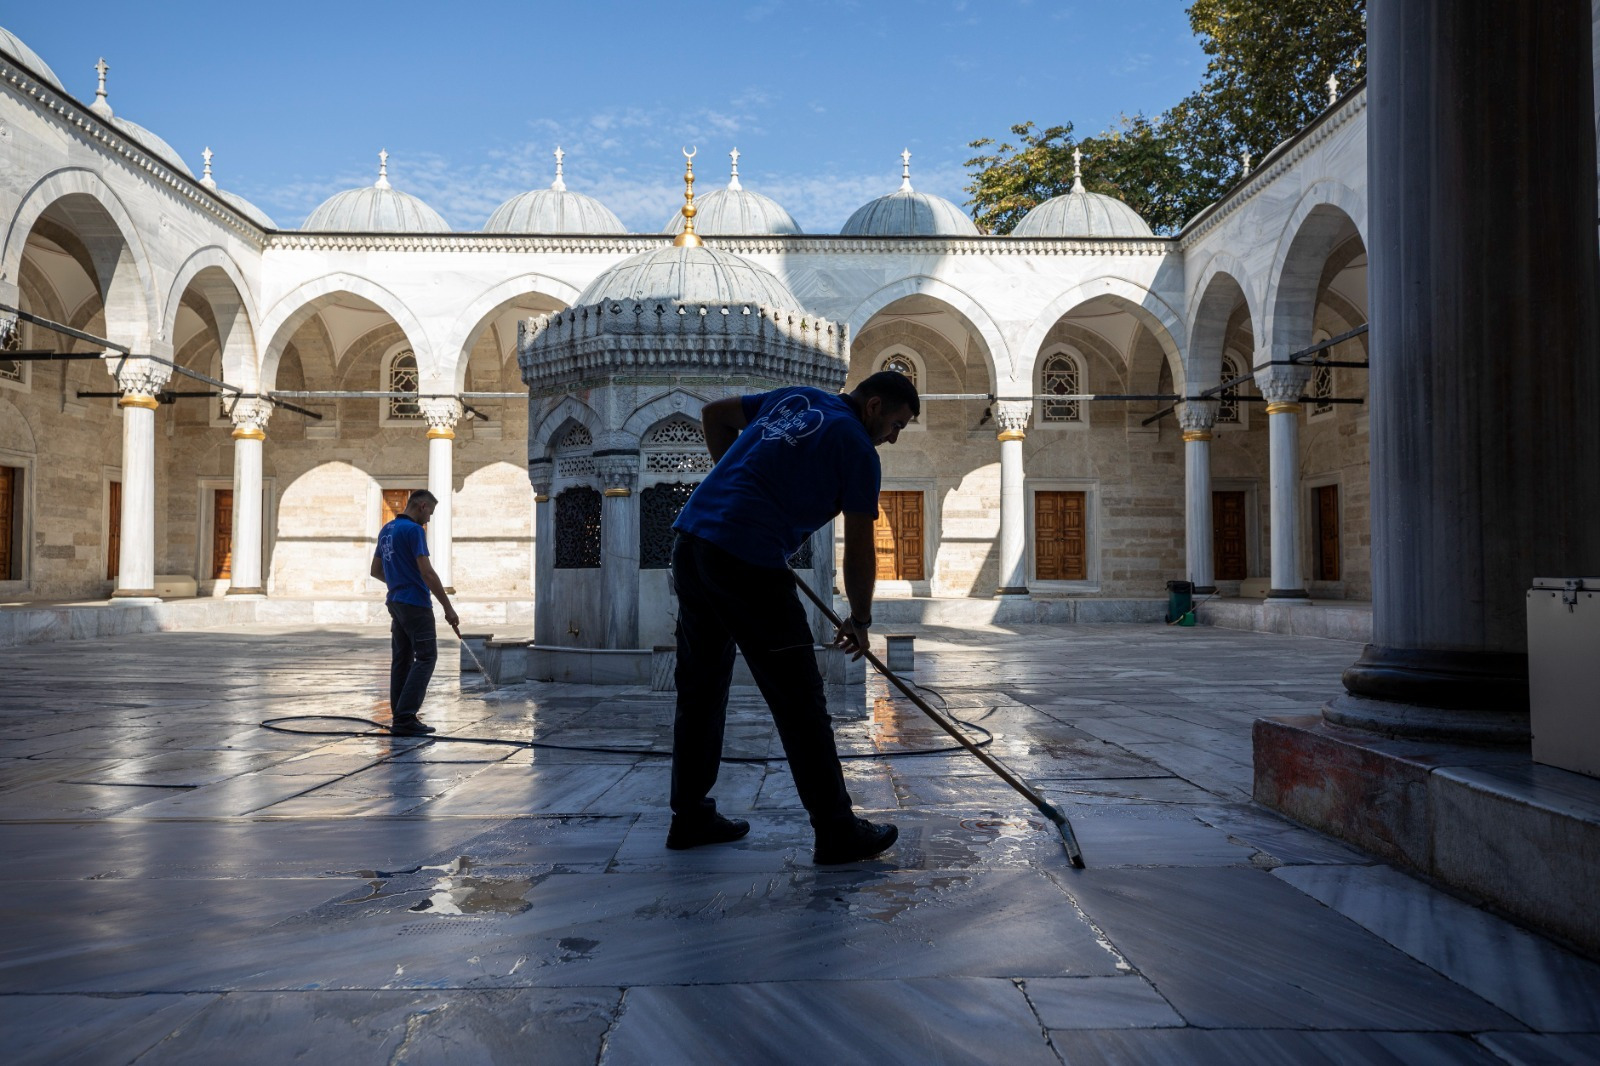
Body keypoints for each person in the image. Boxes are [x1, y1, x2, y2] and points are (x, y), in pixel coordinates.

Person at [668, 370, 919, 864]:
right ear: (872, 406)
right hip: (745, 563)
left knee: (700, 688)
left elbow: (714, 416)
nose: (893, 437)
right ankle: (836, 831)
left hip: (693, 544)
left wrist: (742, 495)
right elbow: (861, 544)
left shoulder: (796, 397)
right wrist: (861, 619)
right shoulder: (857, 448)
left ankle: (690, 816)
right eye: (896, 424)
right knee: (800, 700)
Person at [370, 489, 459, 736]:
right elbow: (427, 572)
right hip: (416, 605)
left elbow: (375, 570)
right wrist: (448, 608)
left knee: (402, 658)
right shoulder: (414, 531)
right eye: (430, 512)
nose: (429, 518)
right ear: (421, 506)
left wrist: (398, 580)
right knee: (426, 657)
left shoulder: (386, 529)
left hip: (396, 602)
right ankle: (407, 715)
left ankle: (400, 716)